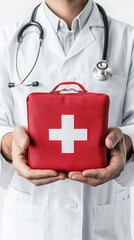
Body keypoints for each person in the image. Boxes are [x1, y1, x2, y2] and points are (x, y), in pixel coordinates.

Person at [0, 0, 134, 239]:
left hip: (102, 224)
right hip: (29, 224)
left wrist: (127, 143)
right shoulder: (6, 40)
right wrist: (9, 144)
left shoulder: (129, 40)